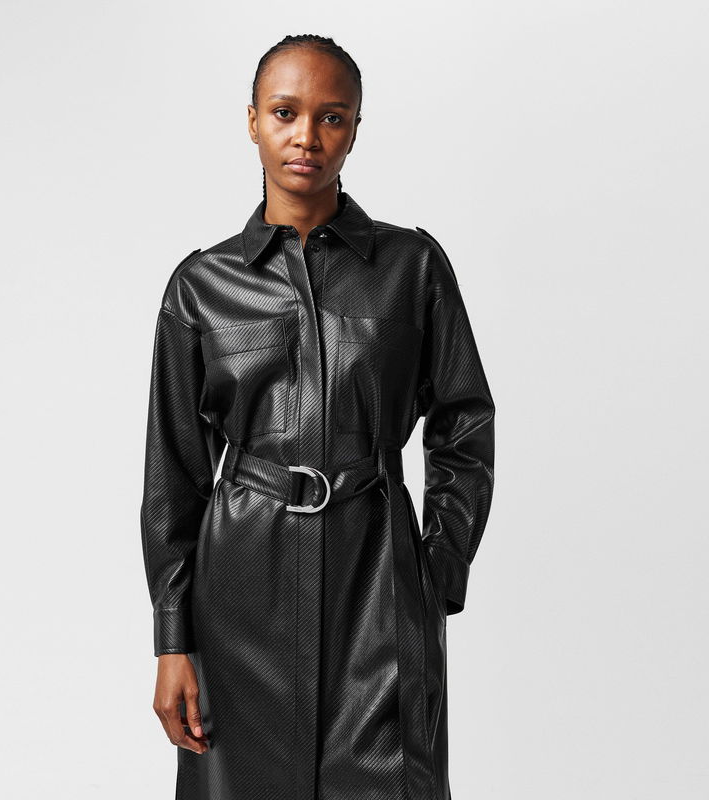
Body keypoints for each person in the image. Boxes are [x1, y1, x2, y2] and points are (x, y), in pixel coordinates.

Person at [140, 33, 495, 800]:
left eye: (332, 117)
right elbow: (174, 473)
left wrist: (435, 573)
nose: (307, 136)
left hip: (378, 587)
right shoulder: (201, 287)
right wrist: (173, 638)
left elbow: (465, 421)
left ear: (356, 129)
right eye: (285, 112)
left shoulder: (412, 268)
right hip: (242, 595)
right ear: (253, 121)